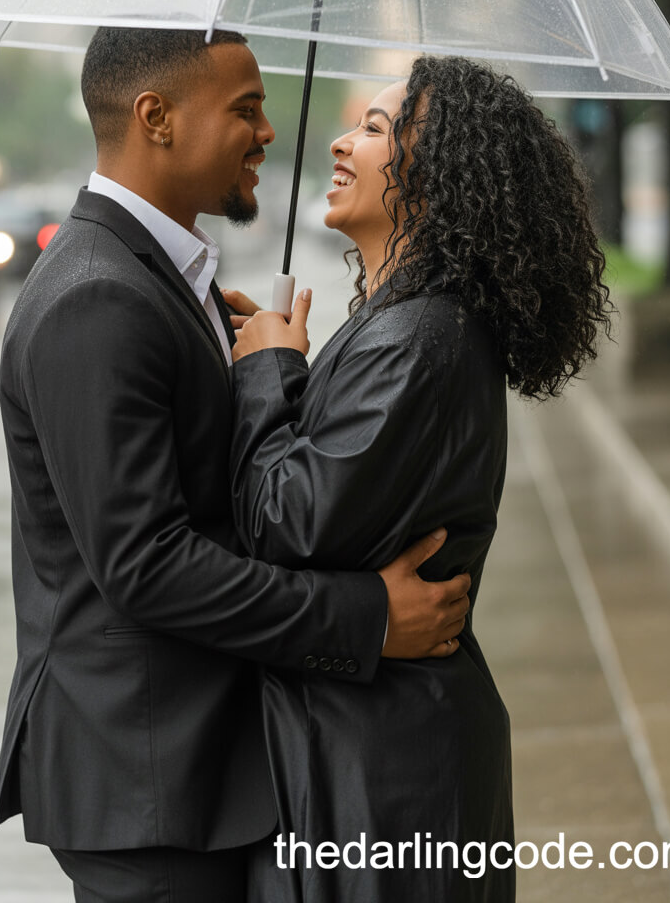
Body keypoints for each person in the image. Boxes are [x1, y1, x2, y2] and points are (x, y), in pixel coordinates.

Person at [0, 27, 475, 903]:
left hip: (199, 772)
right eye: (245, 110)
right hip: (148, 782)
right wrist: (365, 618)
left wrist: (266, 371)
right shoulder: (97, 295)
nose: (268, 133)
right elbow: (146, 564)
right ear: (157, 117)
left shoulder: (165, 279)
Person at [226, 55, 613, 902]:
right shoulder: (403, 321)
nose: (341, 142)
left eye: (374, 128)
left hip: (387, 771)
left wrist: (266, 375)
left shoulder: (421, 338)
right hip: (373, 743)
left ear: (438, 175)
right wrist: (282, 365)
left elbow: (285, 523)